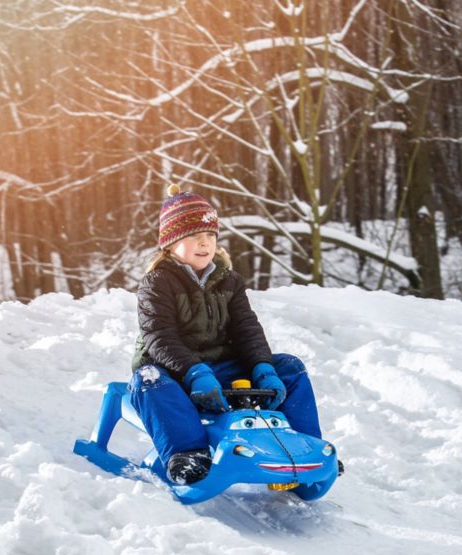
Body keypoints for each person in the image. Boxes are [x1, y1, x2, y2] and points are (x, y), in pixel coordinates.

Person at [129, 183, 324, 485]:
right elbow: (160, 337)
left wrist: (263, 367)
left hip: (221, 369)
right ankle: (188, 454)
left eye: (210, 235)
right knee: (148, 381)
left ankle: (304, 448)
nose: (204, 243)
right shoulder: (157, 283)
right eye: (194, 236)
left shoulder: (229, 280)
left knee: (290, 368)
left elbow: (247, 328)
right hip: (175, 372)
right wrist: (193, 372)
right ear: (171, 243)